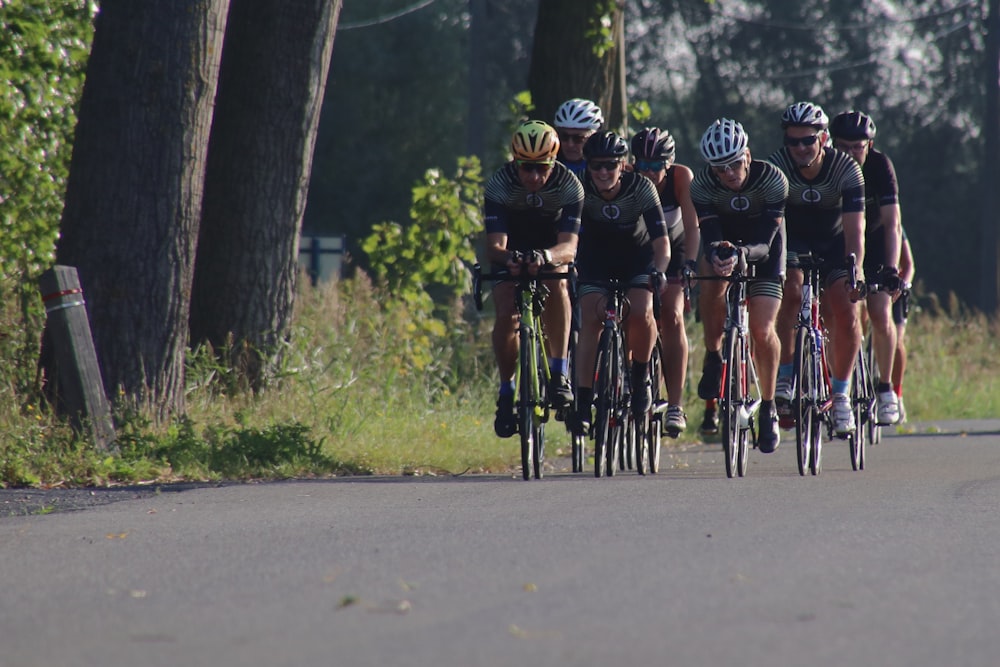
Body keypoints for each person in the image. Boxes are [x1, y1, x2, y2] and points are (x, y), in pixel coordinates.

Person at [768, 101, 866, 436]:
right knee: (790, 294)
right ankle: (786, 373)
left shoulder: (846, 168)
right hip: (793, 242)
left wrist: (857, 270)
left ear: (823, 138)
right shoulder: (777, 166)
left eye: (807, 140)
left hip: (835, 244)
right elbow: (772, 223)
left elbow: (855, 229)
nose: (799, 148)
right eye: (792, 141)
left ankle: (840, 395)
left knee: (846, 310)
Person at [691, 119, 789, 453]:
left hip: (764, 247)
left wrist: (743, 253)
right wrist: (719, 253)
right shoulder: (702, 185)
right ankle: (715, 354)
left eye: (734, 163)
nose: (730, 173)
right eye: (720, 169)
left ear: (747, 155)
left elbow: (766, 240)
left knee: (762, 330)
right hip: (724, 242)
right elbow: (709, 233)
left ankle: (769, 405)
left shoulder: (773, 179)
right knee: (710, 282)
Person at [484, 120, 585, 438]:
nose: (534, 177)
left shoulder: (570, 185)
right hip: (513, 246)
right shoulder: (499, 184)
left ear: (553, 162)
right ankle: (506, 390)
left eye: (542, 168)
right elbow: (494, 246)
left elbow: (569, 246)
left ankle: (558, 373)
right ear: (515, 161)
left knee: (557, 283)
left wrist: (545, 257)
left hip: (550, 247)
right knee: (504, 308)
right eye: (526, 168)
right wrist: (510, 258)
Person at [572, 130, 669, 434]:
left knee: (641, 311)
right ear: (588, 166)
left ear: (623, 165)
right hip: (596, 259)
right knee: (590, 319)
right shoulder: (580, 187)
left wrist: (660, 270)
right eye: (596, 165)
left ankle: (640, 380)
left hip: (637, 258)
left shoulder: (641, 187)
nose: (603, 172)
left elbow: (662, 240)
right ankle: (585, 402)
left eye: (610, 165)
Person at [829, 110, 902, 425]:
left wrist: (891, 268)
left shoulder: (880, 166)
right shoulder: (827, 165)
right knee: (839, 316)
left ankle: (885, 389)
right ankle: (834, 385)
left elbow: (892, 223)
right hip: (838, 246)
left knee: (881, 312)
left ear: (869, 145)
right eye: (842, 146)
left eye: (856, 147)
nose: (849, 153)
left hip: (872, 247)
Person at [629, 127, 699, 436]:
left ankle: (675, 405)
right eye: (642, 165)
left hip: (678, 244)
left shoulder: (682, 177)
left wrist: (692, 266)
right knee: (628, 312)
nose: (648, 172)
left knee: (671, 314)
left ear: (668, 164)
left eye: (656, 166)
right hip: (641, 247)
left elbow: (693, 226)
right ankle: (627, 377)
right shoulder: (627, 176)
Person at [553, 98, 604, 180]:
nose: (570, 144)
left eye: (578, 138)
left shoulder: (606, 169)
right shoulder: (548, 167)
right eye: (564, 137)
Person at [893, 228, 915, 422]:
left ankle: (897, 394)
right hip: (866, 287)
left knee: (897, 341)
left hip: (894, 288)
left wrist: (903, 285)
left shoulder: (895, 226)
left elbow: (909, 265)